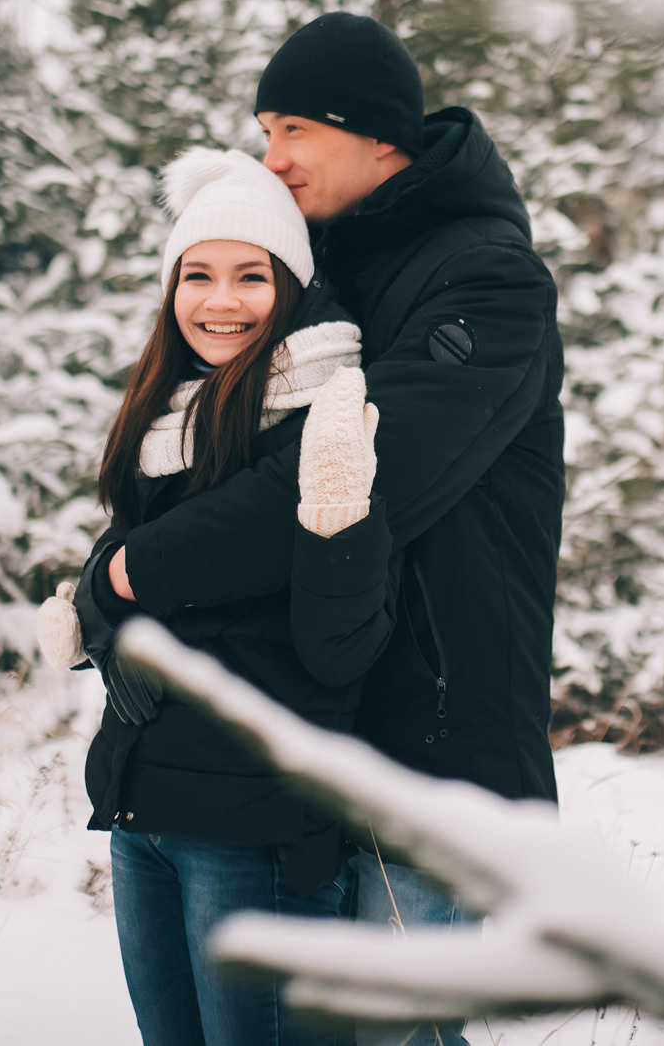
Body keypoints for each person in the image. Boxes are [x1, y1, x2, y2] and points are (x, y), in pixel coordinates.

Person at [99, 13, 566, 1046]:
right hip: (324, 734)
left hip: (428, 754)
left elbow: (336, 482)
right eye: (263, 132)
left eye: (292, 130)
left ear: (378, 137)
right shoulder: (331, 272)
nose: (272, 158)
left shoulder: (485, 282)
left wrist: (130, 573)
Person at [36, 146, 397, 1046]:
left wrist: (338, 523)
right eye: (197, 274)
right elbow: (146, 572)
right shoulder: (170, 419)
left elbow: (339, 649)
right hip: (143, 813)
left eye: (251, 276)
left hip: (257, 831)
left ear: (293, 286)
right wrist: (108, 606)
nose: (220, 300)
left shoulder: (323, 418)